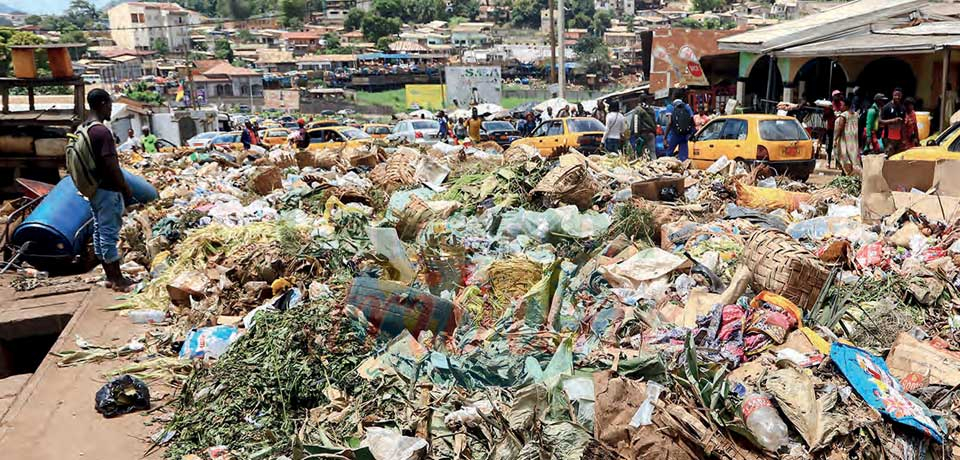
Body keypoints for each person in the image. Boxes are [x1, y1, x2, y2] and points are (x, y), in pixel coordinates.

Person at [83, 89, 135, 292]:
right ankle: (117, 279)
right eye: (109, 105)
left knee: (99, 231)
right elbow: (111, 165)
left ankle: (109, 276)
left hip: (94, 189)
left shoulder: (85, 128)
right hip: (107, 190)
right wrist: (125, 188)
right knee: (108, 234)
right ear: (103, 103)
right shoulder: (101, 132)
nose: (110, 109)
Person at [833, 97, 861, 176]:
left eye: (842, 105)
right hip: (854, 140)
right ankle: (851, 174)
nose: (840, 107)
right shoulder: (856, 114)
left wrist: (835, 139)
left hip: (845, 139)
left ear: (846, 106)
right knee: (853, 157)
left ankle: (848, 174)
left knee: (844, 158)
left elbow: (840, 127)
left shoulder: (843, 115)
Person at [881, 88, 906, 156]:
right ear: (892, 95)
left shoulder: (903, 108)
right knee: (888, 155)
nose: (897, 97)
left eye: (899, 95)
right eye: (895, 95)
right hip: (887, 137)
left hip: (898, 138)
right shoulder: (886, 107)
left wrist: (904, 139)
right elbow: (880, 122)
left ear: (901, 96)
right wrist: (893, 120)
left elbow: (903, 124)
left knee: (897, 157)